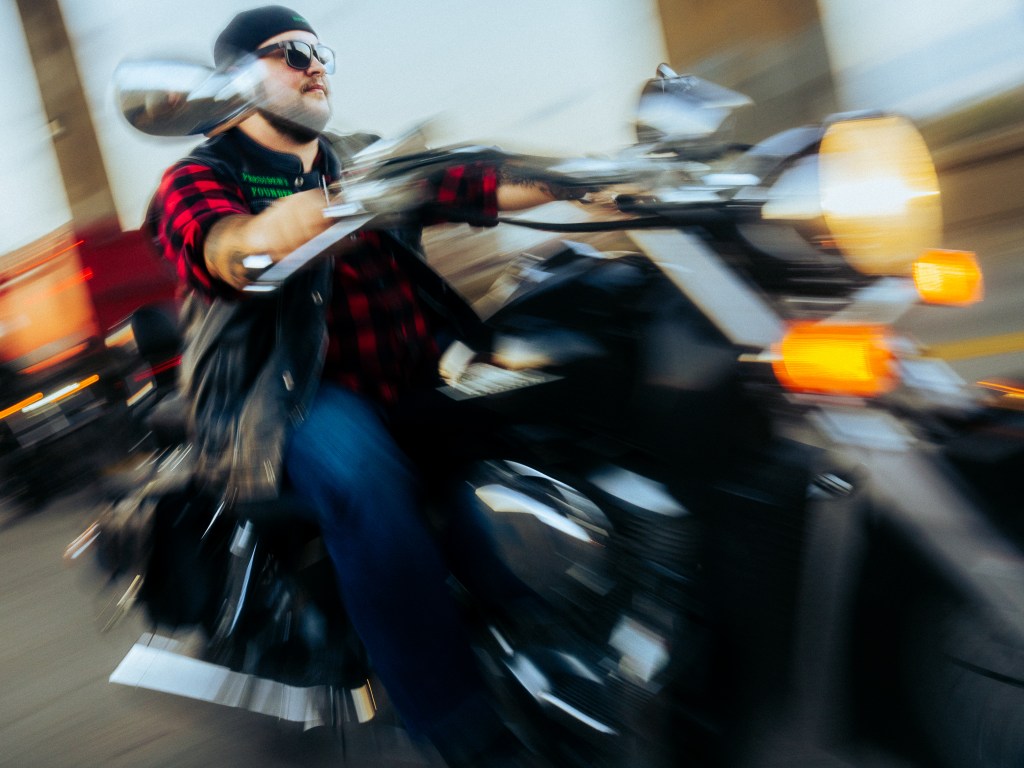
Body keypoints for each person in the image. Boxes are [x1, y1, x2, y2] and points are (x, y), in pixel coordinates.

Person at [145, 6, 559, 766]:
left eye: (320, 50)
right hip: (283, 402)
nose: (314, 63)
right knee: (364, 473)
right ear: (238, 80)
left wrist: (592, 183)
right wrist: (287, 222)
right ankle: (458, 725)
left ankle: (547, 625)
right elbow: (224, 250)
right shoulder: (204, 174)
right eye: (291, 52)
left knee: (546, 395)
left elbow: (473, 181)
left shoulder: (358, 157)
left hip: (407, 376)